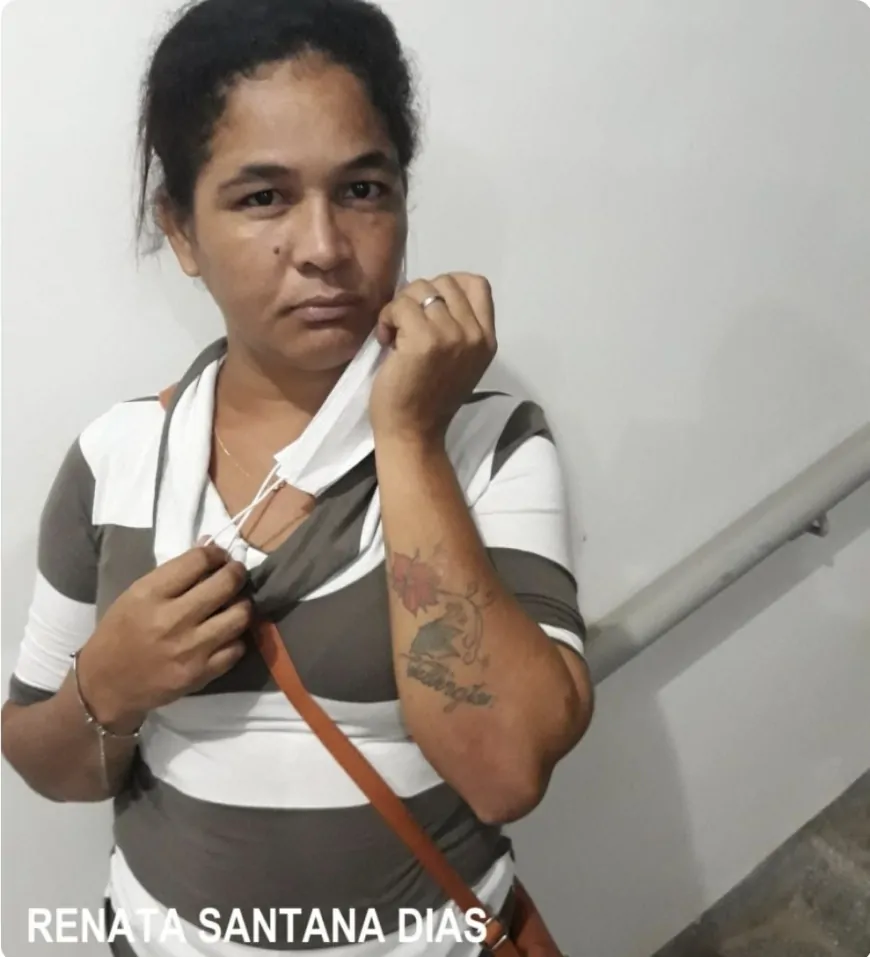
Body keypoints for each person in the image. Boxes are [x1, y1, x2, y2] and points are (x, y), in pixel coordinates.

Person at [1, 1, 594, 955]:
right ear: (180, 229)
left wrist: (407, 436)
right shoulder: (118, 459)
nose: (324, 245)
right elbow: (45, 762)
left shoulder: (487, 445)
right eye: (262, 198)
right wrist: (106, 685)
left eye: (363, 189)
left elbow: (505, 770)